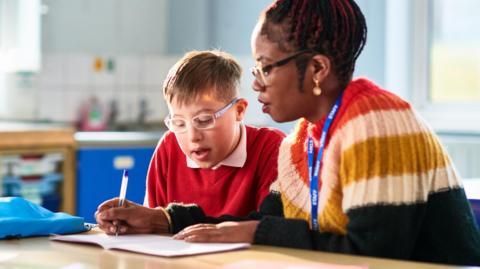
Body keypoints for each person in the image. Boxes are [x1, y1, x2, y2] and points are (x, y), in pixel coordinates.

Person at [96, 1, 480, 266]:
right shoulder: (303, 140)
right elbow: (259, 220)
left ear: (316, 69)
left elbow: (371, 255)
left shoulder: (375, 124)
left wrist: (255, 231)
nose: (257, 83)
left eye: (265, 67)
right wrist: (165, 221)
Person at [95, 50, 284, 233]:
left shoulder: (271, 148)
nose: (193, 136)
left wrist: (167, 221)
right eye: (179, 123)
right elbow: (153, 230)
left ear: (239, 111)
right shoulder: (169, 147)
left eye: (204, 120)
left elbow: (268, 230)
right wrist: (134, 224)